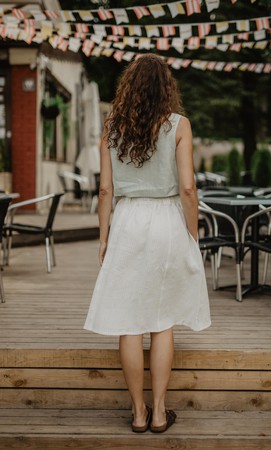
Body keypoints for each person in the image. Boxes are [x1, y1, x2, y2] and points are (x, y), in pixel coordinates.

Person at [84, 53, 211, 434]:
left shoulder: (111, 127)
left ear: (129, 87)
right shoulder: (179, 125)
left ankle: (137, 413)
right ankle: (159, 412)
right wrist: (193, 233)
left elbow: (105, 189)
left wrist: (104, 238)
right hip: (167, 219)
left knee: (129, 321)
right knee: (162, 322)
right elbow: (188, 187)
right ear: (165, 88)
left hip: (127, 222)